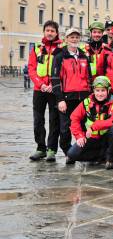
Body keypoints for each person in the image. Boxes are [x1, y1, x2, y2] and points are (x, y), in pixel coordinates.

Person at [51, 28, 92, 164]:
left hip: (83, 98)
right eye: (71, 37)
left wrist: (91, 97)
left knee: (85, 126)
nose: (74, 39)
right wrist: (60, 100)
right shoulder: (59, 56)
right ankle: (68, 152)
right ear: (66, 39)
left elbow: (89, 78)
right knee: (65, 128)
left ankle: (85, 152)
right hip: (67, 99)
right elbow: (55, 80)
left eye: (76, 37)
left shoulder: (83, 56)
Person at [67, 76, 113, 169]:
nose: (100, 94)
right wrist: (79, 136)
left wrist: (94, 126)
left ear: (108, 90)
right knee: (72, 154)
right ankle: (101, 156)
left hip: (108, 138)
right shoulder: (86, 102)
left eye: (103, 90)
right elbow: (74, 118)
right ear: (93, 91)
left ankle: (111, 159)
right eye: (97, 90)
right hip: (91, 138)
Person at [28, 20, 63, 161]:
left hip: (54, 90)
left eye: (52, 31)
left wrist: (53, 85)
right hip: (39, 90)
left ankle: (51, 150)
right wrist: (41, 84)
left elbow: (63, 69)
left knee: (54, 120)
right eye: (47, 30)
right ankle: (40, 148)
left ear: (56, 33)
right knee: (38, 120)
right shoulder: (37, 48)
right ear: (44, 32)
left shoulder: (61, 49)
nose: (49, 33)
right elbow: (31, 68)